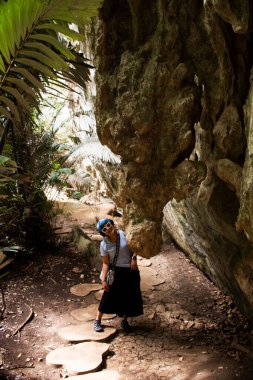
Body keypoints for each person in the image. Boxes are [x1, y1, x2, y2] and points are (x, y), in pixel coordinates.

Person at [94, 218, 143, 333]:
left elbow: (135, 246)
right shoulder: (104, 245)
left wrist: (134, 258)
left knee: (129, 296)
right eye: (104, 229)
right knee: (108, 296)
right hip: (116, 272)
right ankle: (97, 320)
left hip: (130, 270)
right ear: (103, 233)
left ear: (111, 223)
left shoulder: (124, 234)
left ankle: (124, 321)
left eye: (108, 225)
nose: (108, 228)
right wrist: (103, 280)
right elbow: (106, 263)